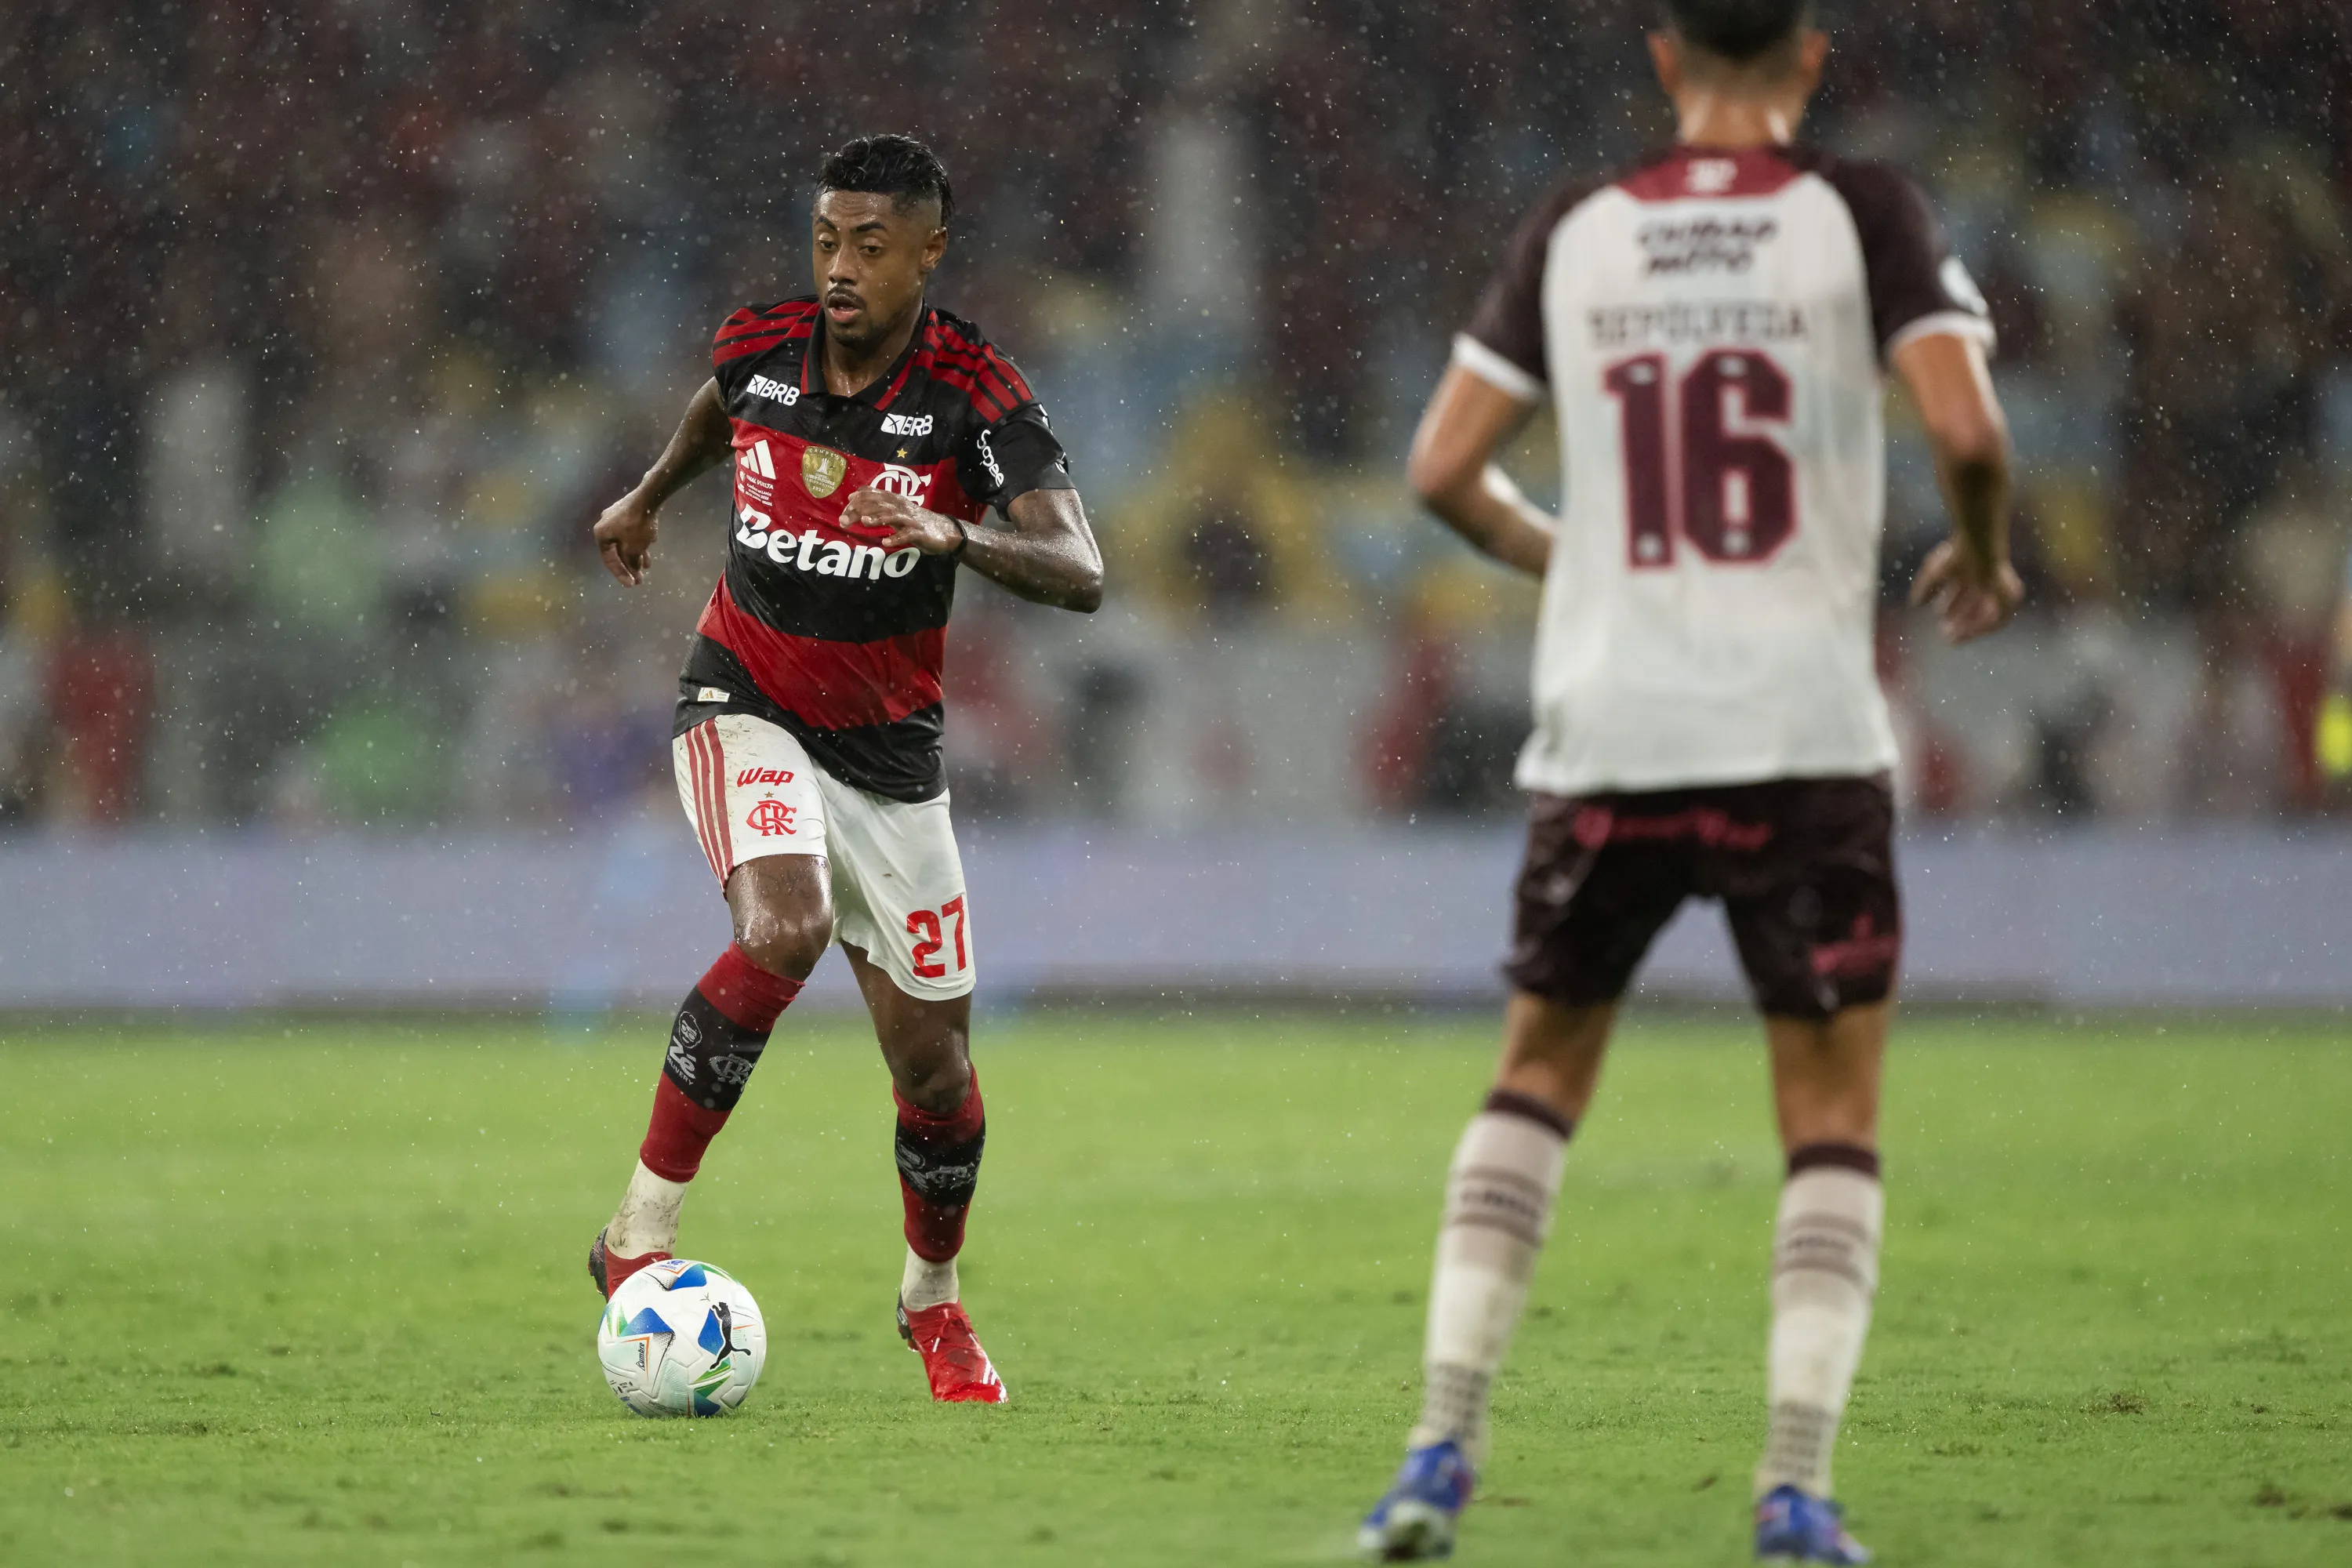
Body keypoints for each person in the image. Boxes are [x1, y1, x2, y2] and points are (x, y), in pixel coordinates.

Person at [1356, 2, 2017, 1559]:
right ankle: (1794, 1489)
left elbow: (1441, 468)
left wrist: (1570, 550)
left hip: (1615, 725)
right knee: (1830, 1111)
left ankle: (1438, 1453)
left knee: (1537, 1075)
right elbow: (1971, 430)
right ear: (1810, 54)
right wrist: (1980, 554)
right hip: (1800, 729)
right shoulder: (1865, 216)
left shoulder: (1577, 229)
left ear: (1662, 59)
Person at [585, 134, 1103, 1405]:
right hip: (744, 696)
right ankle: (634, 1238)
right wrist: (649, 495)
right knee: (786, 925)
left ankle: (932, 1303)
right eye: (826, 240)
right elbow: (721, 411)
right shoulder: (758, 341)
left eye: (872, 245)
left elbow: (1082, 570)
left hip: (891, 760)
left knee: (938, 1077)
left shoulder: (976, 392)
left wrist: (954, 530)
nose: (840, 269)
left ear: (931, 251)